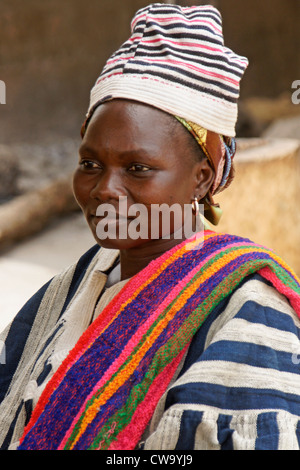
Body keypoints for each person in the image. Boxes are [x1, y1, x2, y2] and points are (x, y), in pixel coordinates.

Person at [1, 3, 300, 451]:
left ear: (202, 177)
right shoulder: (65, 295)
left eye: (138, 168)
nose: (105, 189)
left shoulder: (250, 315)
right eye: (90, 164)